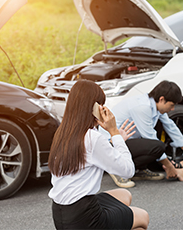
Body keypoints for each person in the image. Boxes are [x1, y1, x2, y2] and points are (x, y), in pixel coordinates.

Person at [48, 80, 149, 230]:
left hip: (61, 214)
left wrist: (116, 140)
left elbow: (90, 154)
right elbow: (128, 171)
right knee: (142, 217)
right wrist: (115, 133)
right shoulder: (92, 137)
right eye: (100, 105)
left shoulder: (63, 131)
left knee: (124, 195)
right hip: (84, 219)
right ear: (93, 107)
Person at [108, 80, 183, 188]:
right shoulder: (142, 107)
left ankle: (138, 170)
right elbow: (150, 138)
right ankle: (117, 169)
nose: (173, 109)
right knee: (157, 146)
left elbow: (171, 128)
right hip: (111, 145)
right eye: (171, 105)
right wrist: (170, 167)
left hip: (124, 141)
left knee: (156, 143)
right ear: (162, 99)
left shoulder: (154, 105)